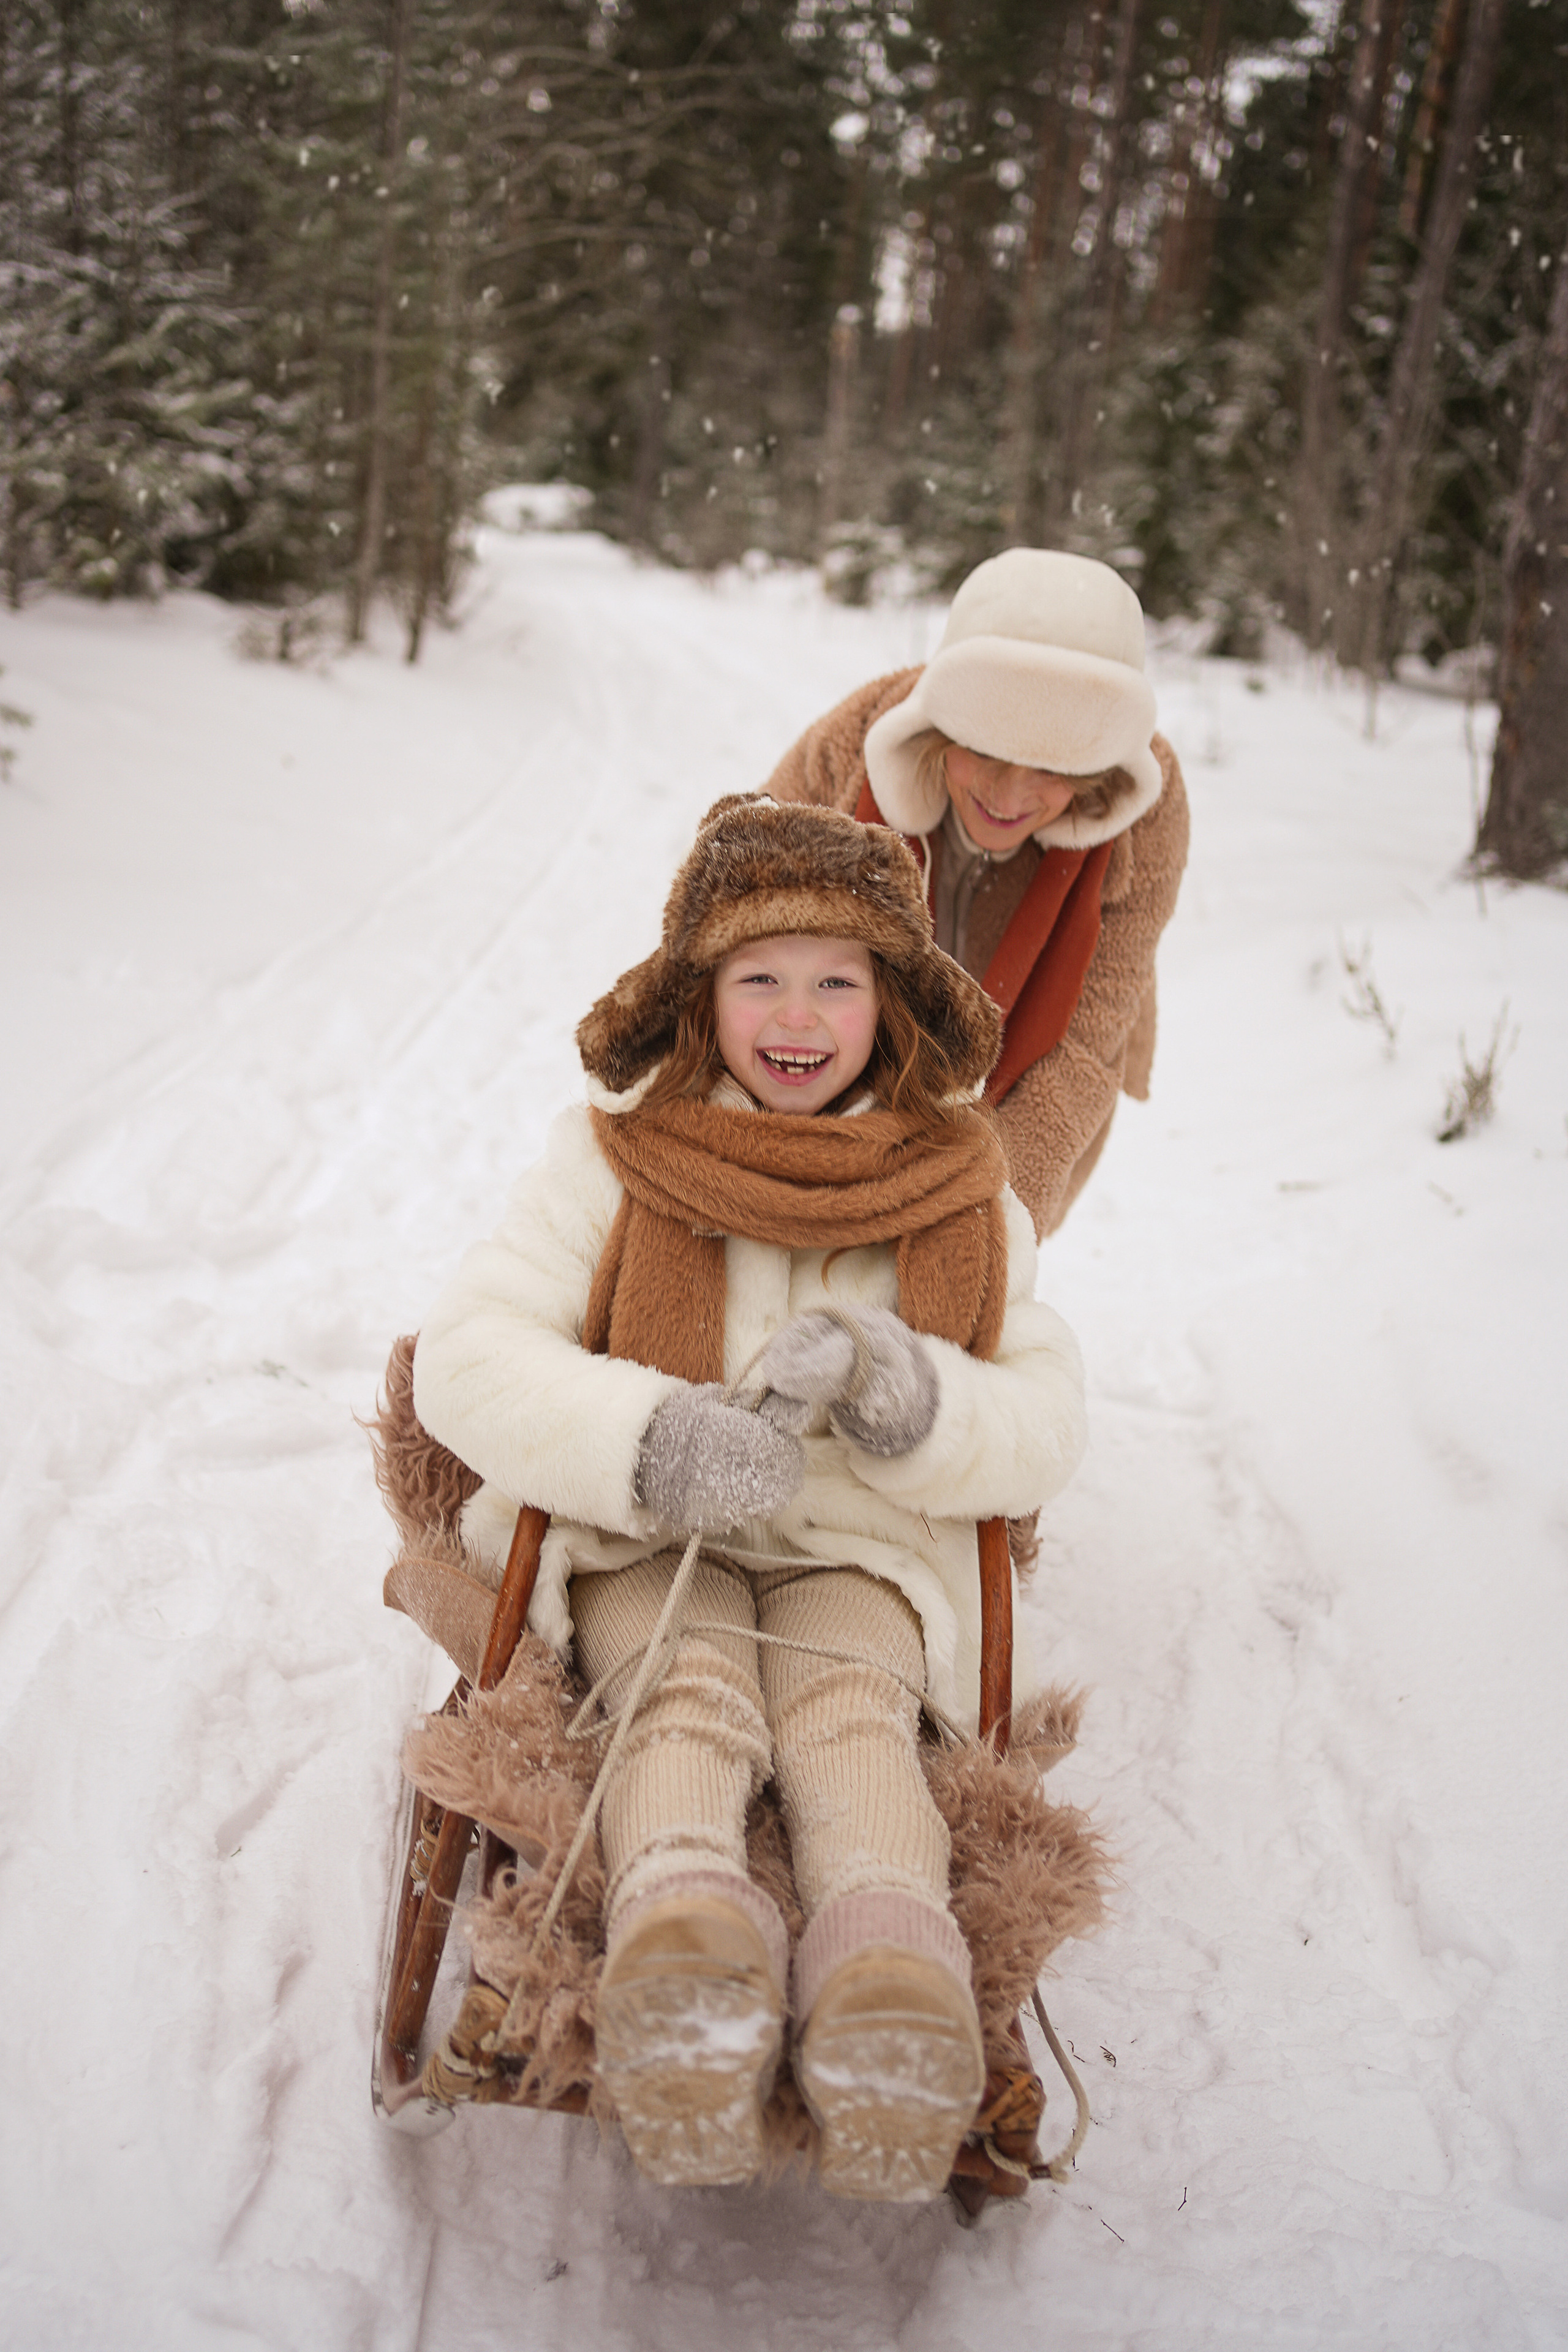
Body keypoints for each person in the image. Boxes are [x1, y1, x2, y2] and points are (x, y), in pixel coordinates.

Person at [409, 793, 1087, 2203]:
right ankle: (685, 1955)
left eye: (835, 979)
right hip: (651, 1527)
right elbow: (468, 1356)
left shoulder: (960, 1187)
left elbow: (1046, 1414)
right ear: (697, 1000)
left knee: (849, 1707)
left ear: (888, 999)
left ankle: (887, 1981)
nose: (796, 1013)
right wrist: (649, 1435)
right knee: (688, 1685)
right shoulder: (609, 1158)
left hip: (858, 1542)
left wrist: (924, 1405)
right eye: (755, 978)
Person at [766, 546, 1190, 1240]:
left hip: (1031, 1061)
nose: (1007, 794)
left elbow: (1086, 1038)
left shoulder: (1148, 810)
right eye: (986, 751)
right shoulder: (852, 747)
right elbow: (734, 934)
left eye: (1051, 767)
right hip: (846, 1033)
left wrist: (989, 1222)